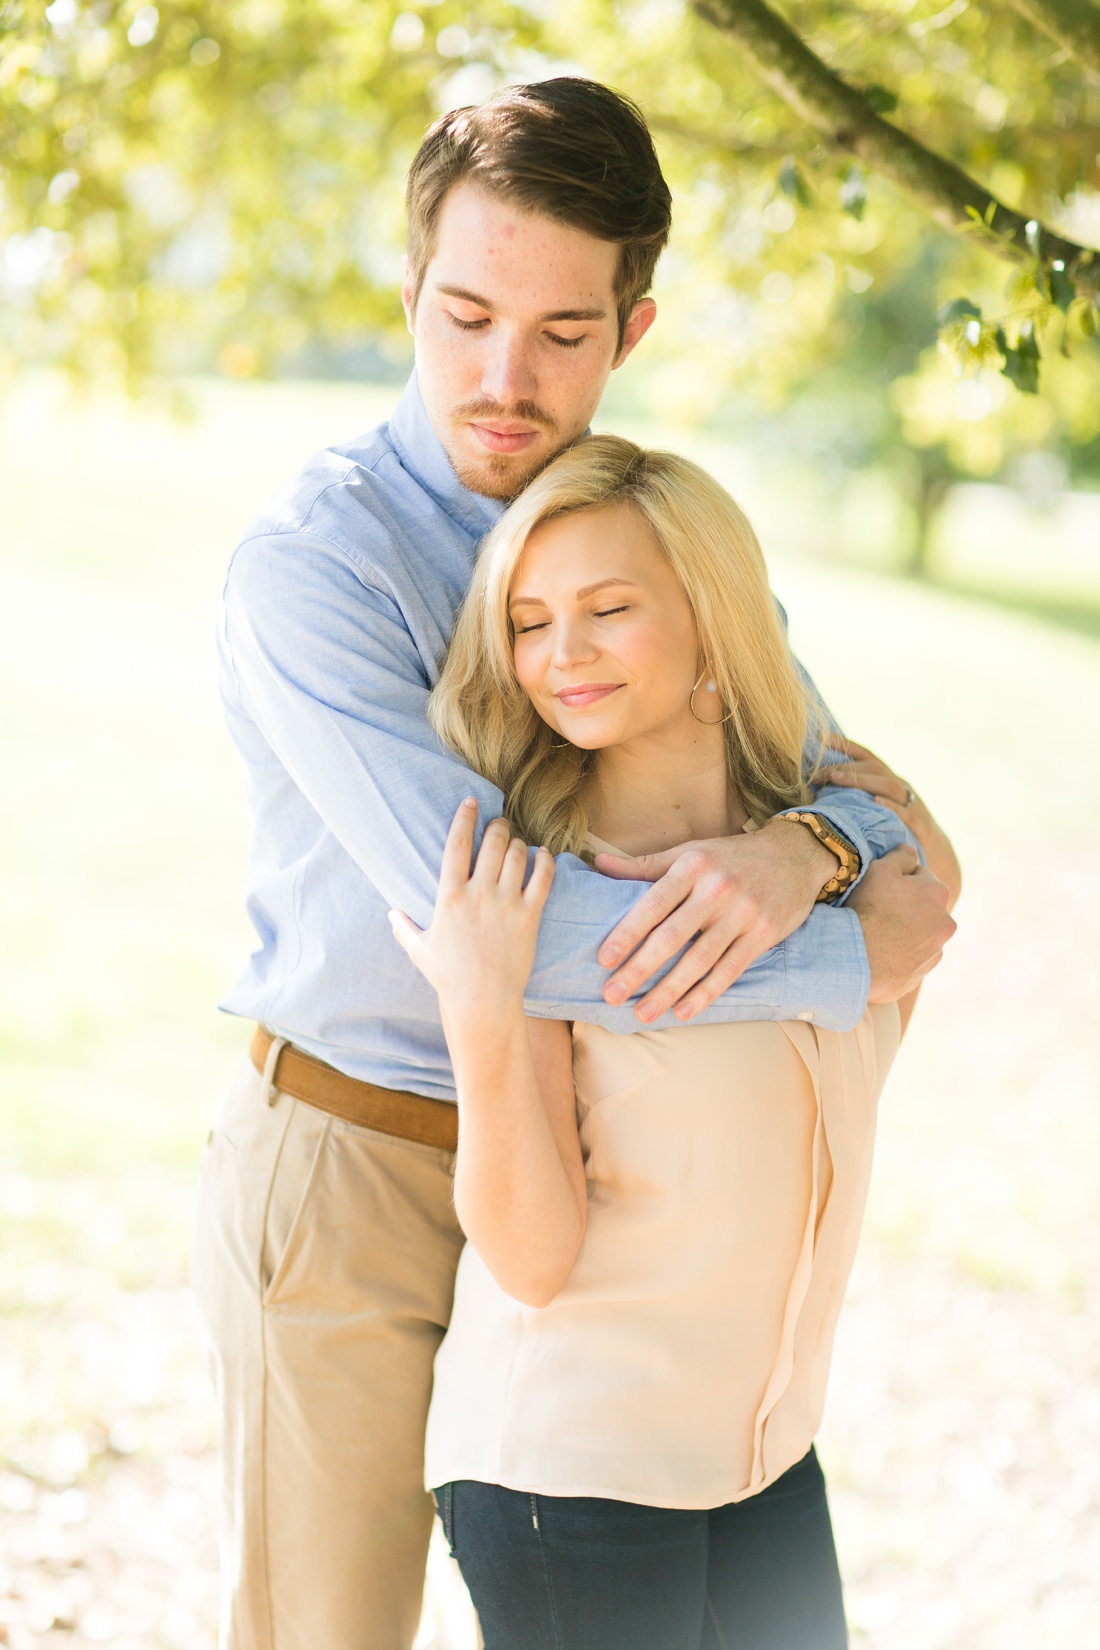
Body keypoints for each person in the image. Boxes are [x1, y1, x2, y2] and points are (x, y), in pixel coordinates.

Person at [191, 78, 956, 1650]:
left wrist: (809, 843)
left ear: (635, 328)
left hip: (595, 1166)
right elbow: (507, 935)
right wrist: (843, 944)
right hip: (361, 1156)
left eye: (560, 333)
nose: (502, 375)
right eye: (465, 315)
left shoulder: (642, 537)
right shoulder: (314, 565)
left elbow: (847, 787)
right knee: (327, 1632)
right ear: (410, 292)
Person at [390, 436, 960, 1649]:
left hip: (763, 1450)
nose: (561, 656)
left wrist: (812, 847)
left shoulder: (831, 844)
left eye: (607, 609)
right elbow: (531, 1259)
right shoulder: (539, 893)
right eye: (530, 623)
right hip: (574, 1468)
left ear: (712, 619)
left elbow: (930, 899)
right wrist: (486, 1011)